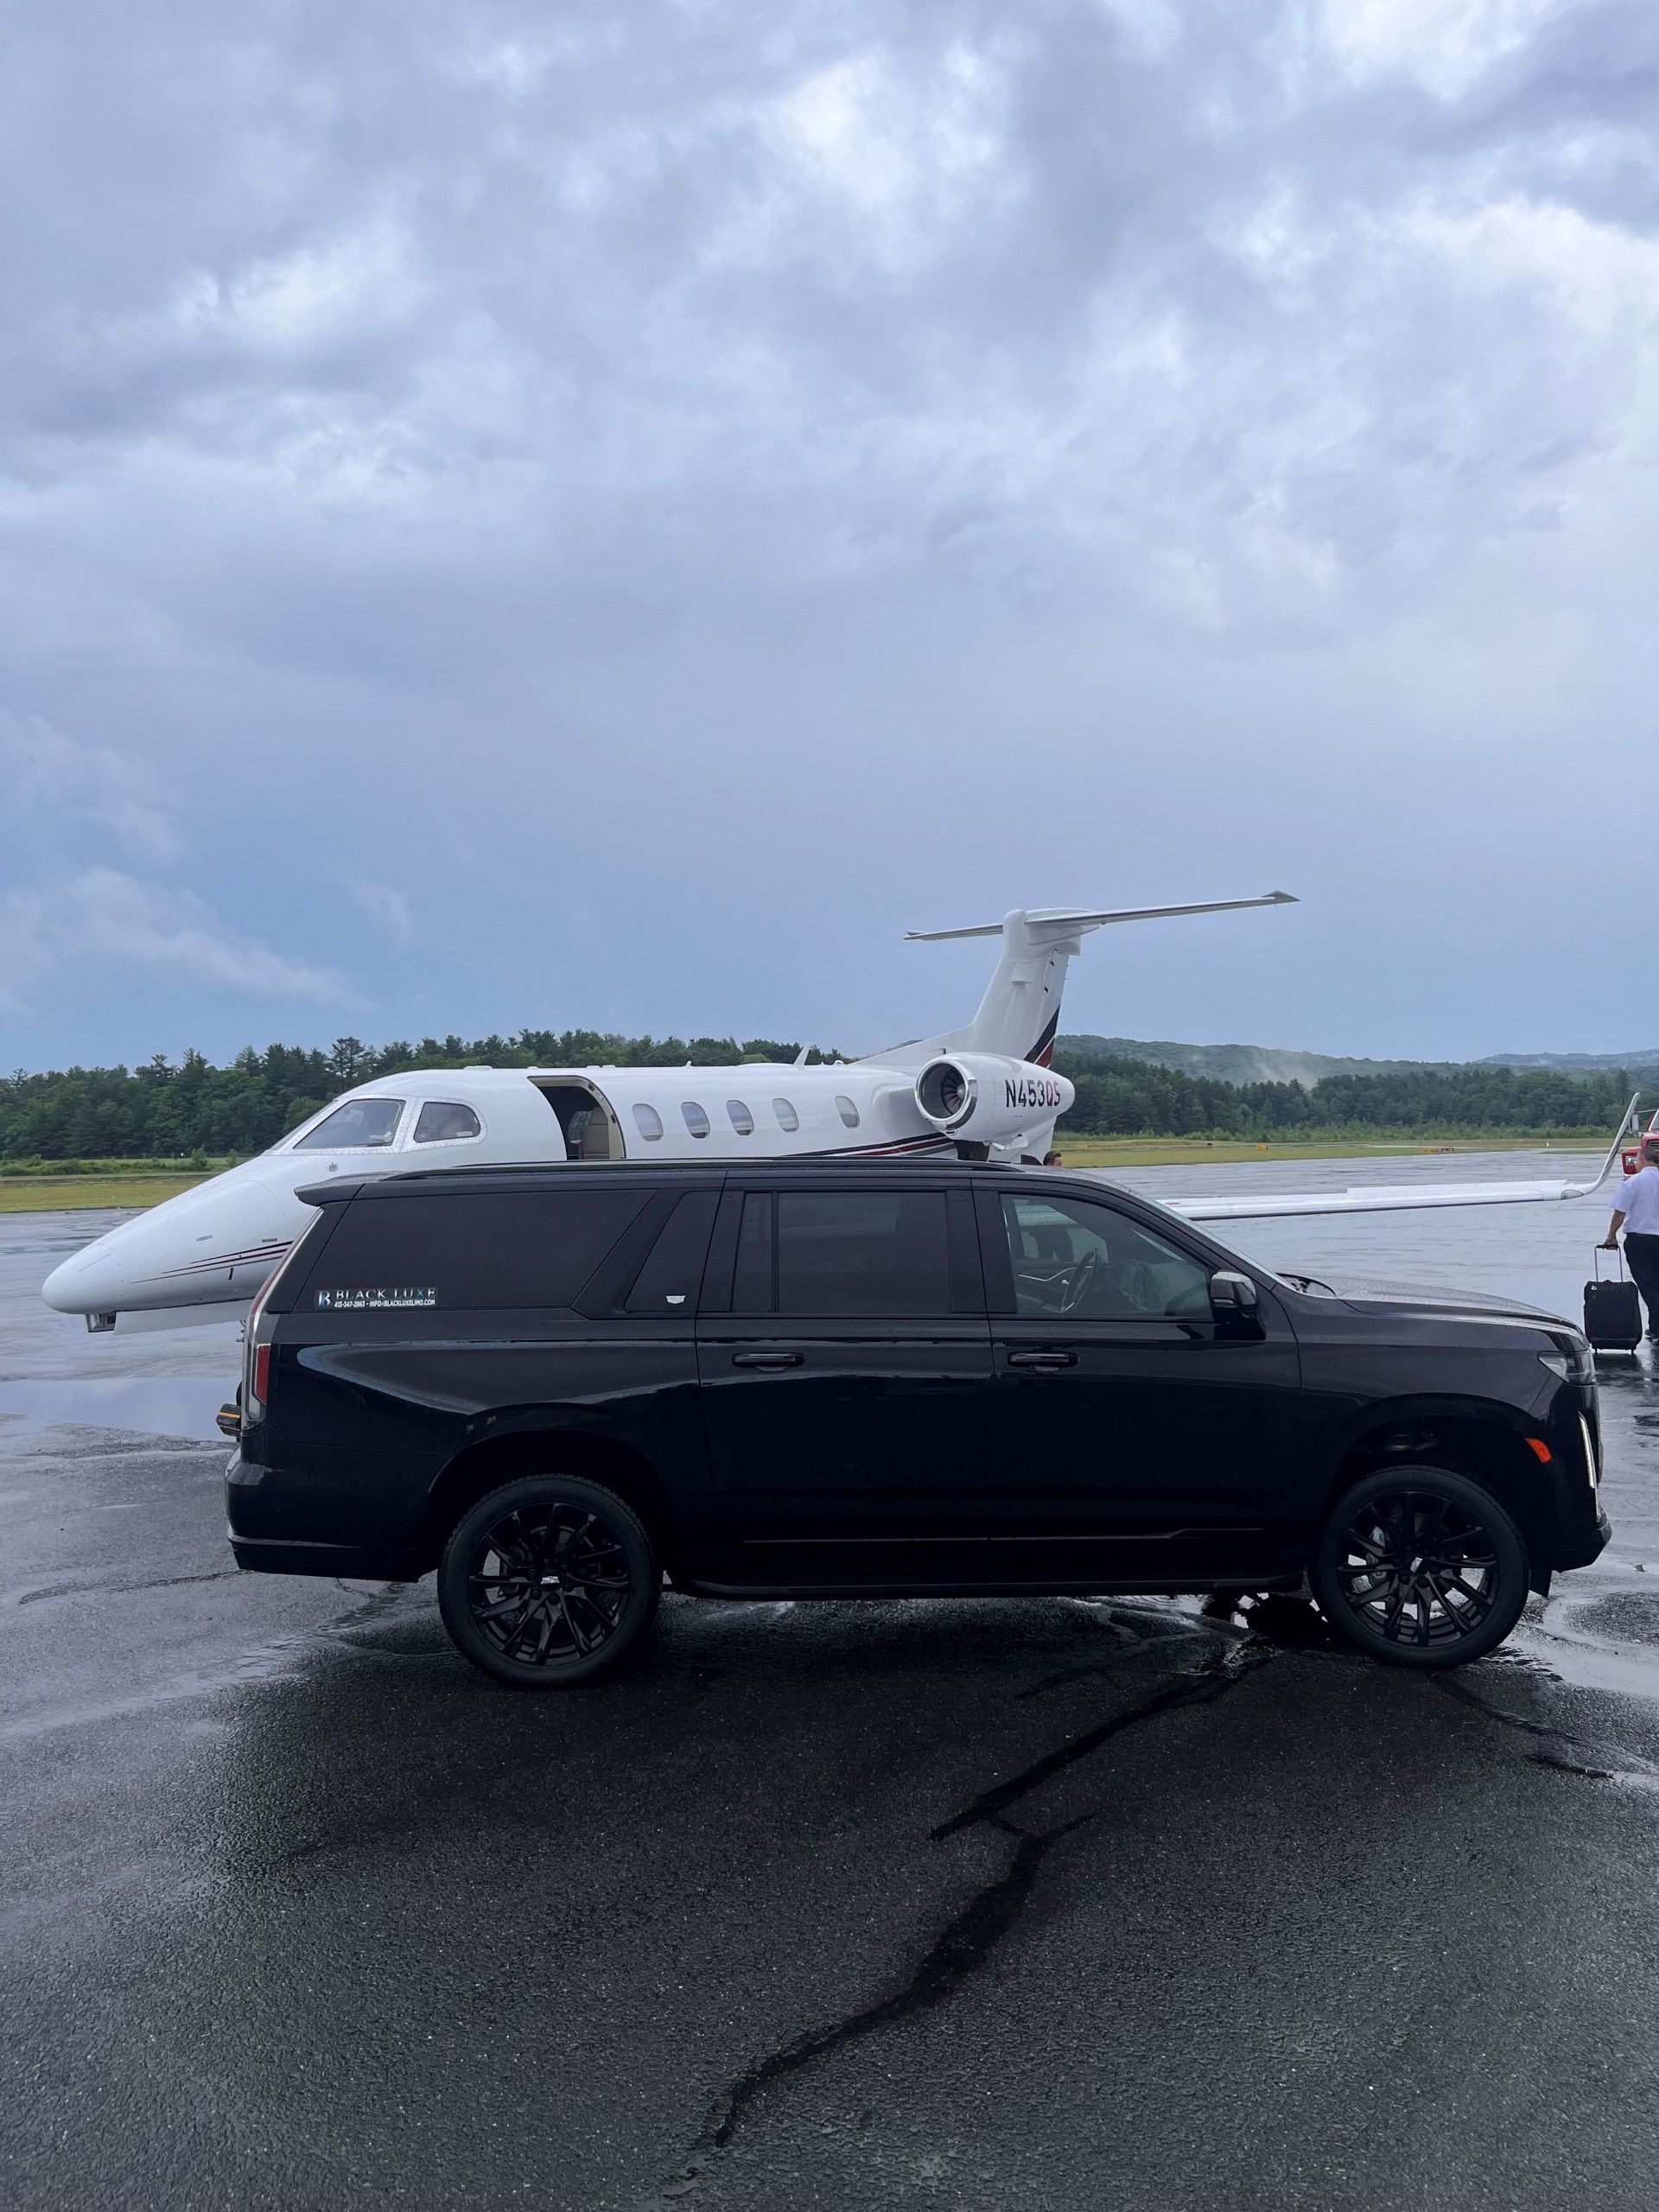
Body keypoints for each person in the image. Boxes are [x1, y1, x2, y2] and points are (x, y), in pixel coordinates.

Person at [1602, 1129, 1659, 1340]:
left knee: (1648, 1285)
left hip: (1640, 1242)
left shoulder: (1632, 1183)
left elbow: (1619, 1212)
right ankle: (1655, 1327)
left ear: (1642, 1160)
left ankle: (1658, 1327)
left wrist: (1611, 1236)